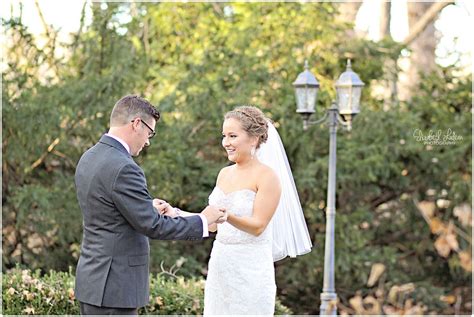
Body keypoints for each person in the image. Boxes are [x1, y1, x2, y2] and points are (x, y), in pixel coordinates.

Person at [74, 95, 225, 315]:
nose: (147, 141)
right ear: (136, 123)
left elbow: (107, 210)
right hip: (116, 288)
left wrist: (146, 206)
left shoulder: (89, 157)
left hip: (93, 282)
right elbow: (153, 226)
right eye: (149, 132)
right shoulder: (125, 167)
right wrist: (204, 220)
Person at [202, 106, 313, 315]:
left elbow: (258, 226)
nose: (226, 142)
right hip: (221, 265)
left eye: (233, 135)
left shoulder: (267, 176)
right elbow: (213, 224)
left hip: (251, 268)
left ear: (254, 139)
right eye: (224, 136)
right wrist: (176, 213)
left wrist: (228, 216)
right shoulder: (224, 174)